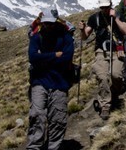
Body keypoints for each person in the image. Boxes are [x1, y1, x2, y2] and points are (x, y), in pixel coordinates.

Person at [27, 9, 75, 150]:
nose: (48, 26)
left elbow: (67, 57)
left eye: (50, 23)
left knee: (58, 119)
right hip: (39, 81)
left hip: (60, 82)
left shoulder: (65, 37)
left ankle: (53, 147)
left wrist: (43, 58)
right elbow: (33, 58)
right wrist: (55, 55)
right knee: (37, 115)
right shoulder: (37, 37)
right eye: (45, 23)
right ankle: (34, 147)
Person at [80, 0, 126, 120]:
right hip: (101, 51)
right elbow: (85, 36)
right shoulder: (94, 18)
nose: (105, 9)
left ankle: (115, 94)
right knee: (102, 76)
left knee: (116, 75)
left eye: (107, 7)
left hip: (117, 50)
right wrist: (82, 29)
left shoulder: (118, 15)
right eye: (102, 7)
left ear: (110, 5)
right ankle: (105, 105)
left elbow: (125, 31)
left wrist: (115, 18)